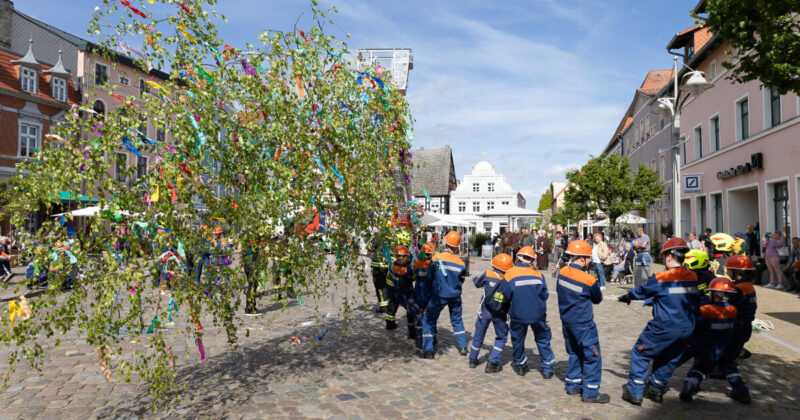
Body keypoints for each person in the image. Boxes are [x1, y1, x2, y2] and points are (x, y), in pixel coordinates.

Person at [619, 238, 700, 405]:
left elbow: (642, 291)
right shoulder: (692, 276)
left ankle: (635, 392)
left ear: (669, 257)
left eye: (664, 257)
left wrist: (627, 296)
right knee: (669, 357)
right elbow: (680, 295)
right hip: (687, 327)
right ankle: (656, 389)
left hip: (665, 326)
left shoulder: (661, 277)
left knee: (640, 353)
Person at [556, 240, 609, 404]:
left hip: (567, 321)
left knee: (574, 352)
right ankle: (591, 392)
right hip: (583, 324)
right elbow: (597, 299)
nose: (590, 261)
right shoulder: (589, 279)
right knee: (592, 356)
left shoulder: (563, 272)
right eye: (588, 258)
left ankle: (572, 385)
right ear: (581, 258)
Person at [679, 277, 738, 402]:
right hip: (719, 348)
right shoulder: (733, 310)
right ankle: (693, 383)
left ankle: (690, 383)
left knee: (698, 368)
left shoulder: (705, 310)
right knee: (703, 369)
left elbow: (697, 325)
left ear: (714, 293)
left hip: (702, 346)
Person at [503, 246, 555, 379]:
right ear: (532, 259)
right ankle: (547, 369)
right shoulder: (538, 274)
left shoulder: (510, 273)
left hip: (518, 313)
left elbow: (506, 295)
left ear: (517, 257)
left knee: (518, 340)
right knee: (543, 340)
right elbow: (545, 294)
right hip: (538, 313)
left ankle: (521, 366)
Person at [420, 231, 469, 359]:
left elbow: (429, 278)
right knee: (457, 320)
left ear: (445, 242)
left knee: (428, 320)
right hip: (455, 296)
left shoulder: (436, 258)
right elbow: (461, 280)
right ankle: (463, 346)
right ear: (457, 246)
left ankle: (428, 350)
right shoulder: (461, 263)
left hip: (438, 295)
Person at [718, 255, 757, 404]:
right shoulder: (749, 286)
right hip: (745, 327)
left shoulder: (737, 289)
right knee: (727, 355)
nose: (726, 270)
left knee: (728, 360)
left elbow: (726, 307)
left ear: (735, 271)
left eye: (729, 268)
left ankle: (741, 391)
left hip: (737, 327)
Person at [468, 253, 513, 372]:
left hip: (485, 310)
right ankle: (492, 362)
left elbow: (478, 284)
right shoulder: (510, 279)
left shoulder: (488, 274)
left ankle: (472, 360)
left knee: (479, 334)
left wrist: (474, 279)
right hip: (501, 313)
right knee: (502, 336)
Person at [386, 246, 420, 338]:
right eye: (405, 256)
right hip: (406, 294)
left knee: (392, 307)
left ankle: (389, 325)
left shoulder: (392, 266)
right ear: (402, 257)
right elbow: (413, 277)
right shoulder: (407, 269)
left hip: (395, 292)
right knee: (413, 312)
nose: (406, 258)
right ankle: (412, 334)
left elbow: (390, 278)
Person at [412, 243, 435, 348]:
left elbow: (413, 274)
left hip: (421, 294)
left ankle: (420, 339)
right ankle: (432, 338)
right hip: (427, 295)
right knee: (429, 317)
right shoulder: (433, 264)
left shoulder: (417, 263)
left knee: (420, 317)